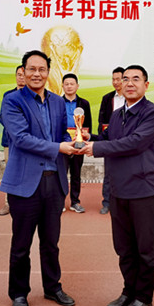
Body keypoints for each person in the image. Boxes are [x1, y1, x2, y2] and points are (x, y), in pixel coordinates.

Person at [80, 65, 154, 306]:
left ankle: (143, 296)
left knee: (145, 248)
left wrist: (96, 148)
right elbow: (108, 140)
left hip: (144, 190)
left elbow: (134, 143)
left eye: (136, 79)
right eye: (125, 79)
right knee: (124, 248)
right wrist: (87, 137)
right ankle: (129, 291)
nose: (129, 83)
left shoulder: (152, 114)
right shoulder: (117, 115)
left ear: (146, 85)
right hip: (118, 190)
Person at [0, 50, 79, 306]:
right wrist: (59, 147)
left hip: (54, 182)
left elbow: (61, 134)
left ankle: (53, 287)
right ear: (23, 72)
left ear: (48, 72)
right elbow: (21, 138)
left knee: (51, 242)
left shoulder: (57, 101)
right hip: (25, 184)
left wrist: (76, 140)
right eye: (31, 69)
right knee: (21, 244)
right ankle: (19, 293)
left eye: (42, 69)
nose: (37, 74)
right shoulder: (12, 101)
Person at [96, 66, 125, 215]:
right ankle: (106, 202)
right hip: (110, 142)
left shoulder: (131, 98)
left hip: (127, 142)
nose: (115, 82)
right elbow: (101, 121)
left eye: (118, 79)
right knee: (108, 173)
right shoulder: (107, 98)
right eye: (113, 79)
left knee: (126, 173)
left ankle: (123, 203)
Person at [62, 73, 92, 213]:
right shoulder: (57, 102)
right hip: (63, 144)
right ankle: (60, 202)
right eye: (66, 84)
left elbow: (88, 124)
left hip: (78, 143)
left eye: (72, 84)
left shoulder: (84, 103)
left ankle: (75, 202)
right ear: (63, 86)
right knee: (61, 174)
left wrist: (85, 141)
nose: (69, 86)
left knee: (76, 174)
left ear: (77, 86)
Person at [0, 65, 26, 216]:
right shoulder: (8, 95)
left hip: (29, 141)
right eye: (19, 74)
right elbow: (2, 117)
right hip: (10, 141)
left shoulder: (33, 96)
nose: (21, 77)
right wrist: (17, 129)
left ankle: (26, 202)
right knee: (10, 170)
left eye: (24, 74)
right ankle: (8, 203)